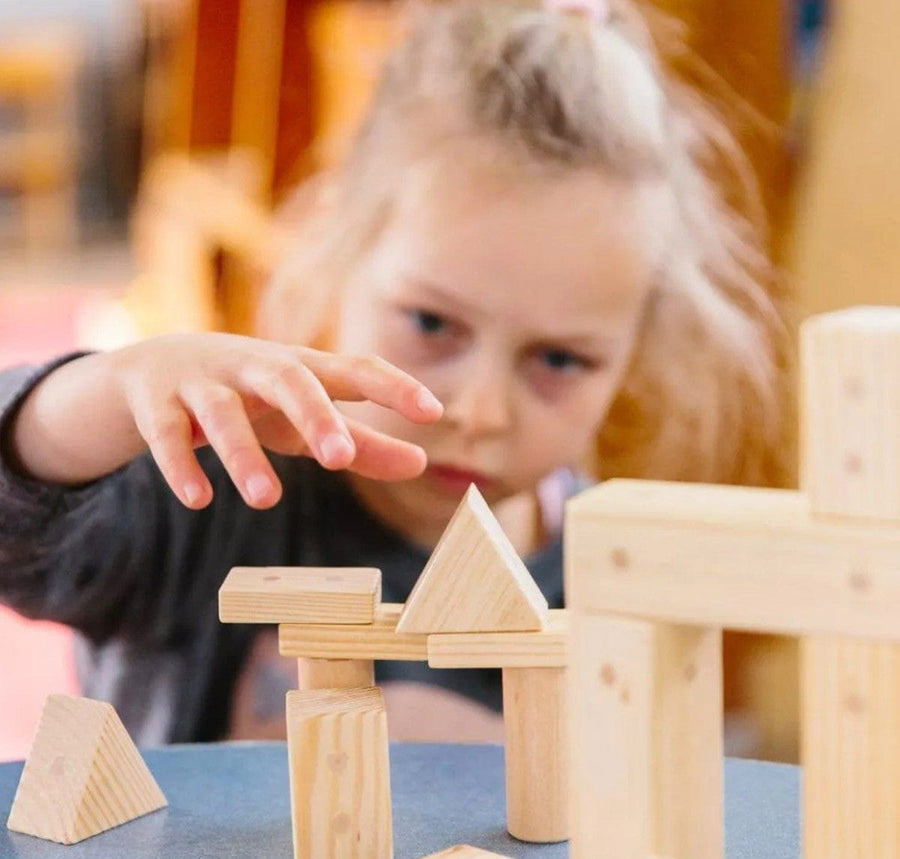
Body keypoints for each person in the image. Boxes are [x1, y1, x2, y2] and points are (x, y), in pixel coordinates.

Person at [0, 0, 790, 746]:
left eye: (559, 359)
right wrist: (107, 393)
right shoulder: (215, 492)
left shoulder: (615, 576)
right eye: (432, 323)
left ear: (632, 360)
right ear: (338, 260)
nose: (478, 412)